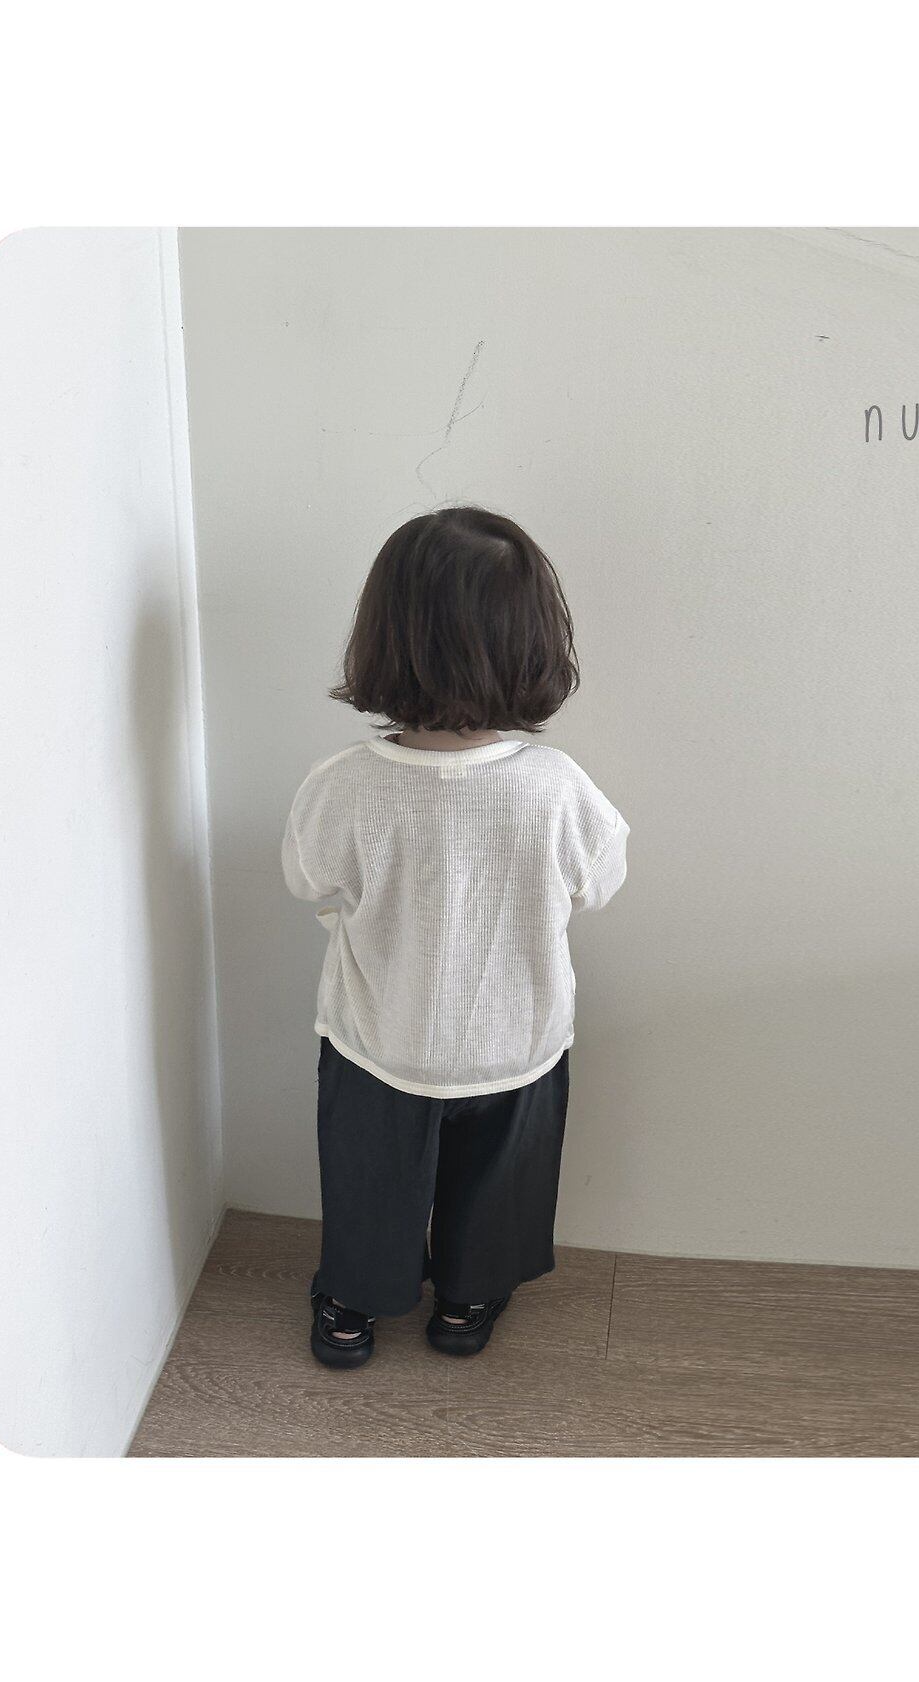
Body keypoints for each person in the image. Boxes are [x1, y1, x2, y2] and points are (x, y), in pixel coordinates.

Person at [282, 507, 629, 1368]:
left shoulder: (343, 784)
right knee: (501, 1181)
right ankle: (469, 1299)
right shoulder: (557, 787)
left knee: (370, 1178)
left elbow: (308, 881)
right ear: (533, 643)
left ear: (382, 637)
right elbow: (599, 884)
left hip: (380, 1038)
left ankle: (354, 1302)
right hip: (516, 1041)